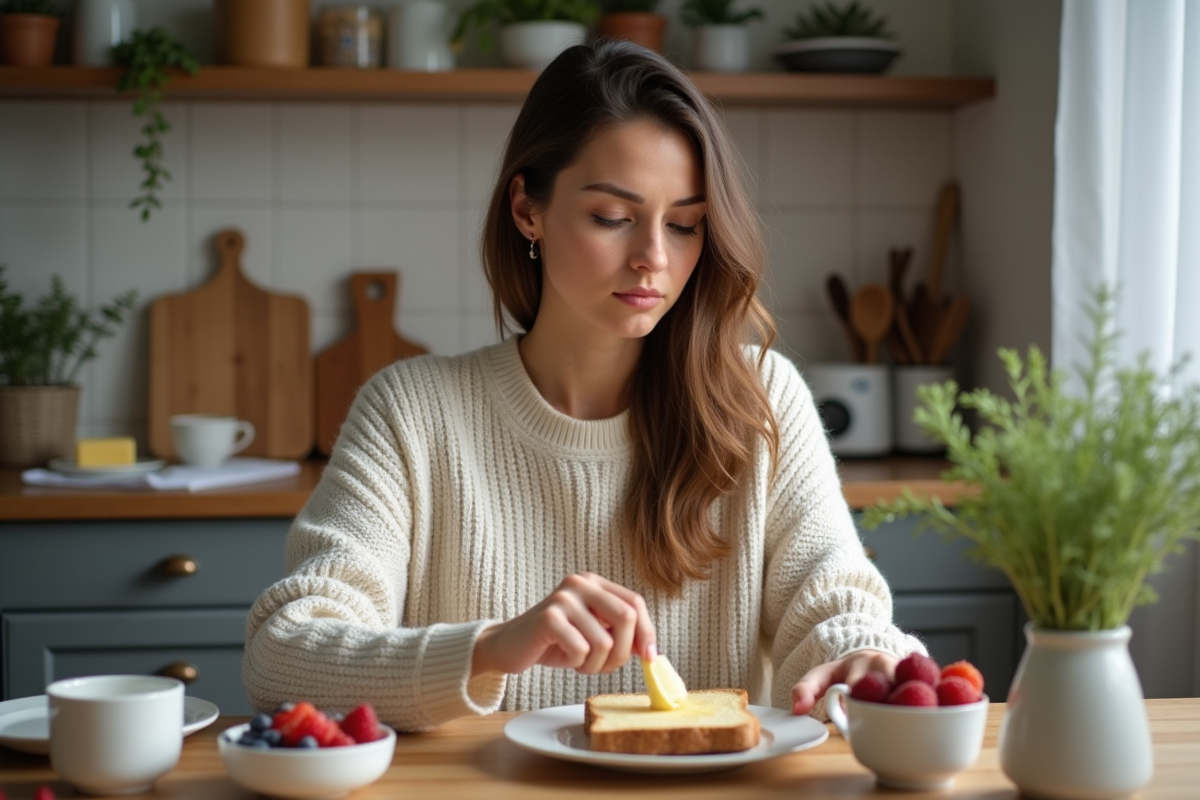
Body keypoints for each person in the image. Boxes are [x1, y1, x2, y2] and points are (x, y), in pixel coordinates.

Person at [243, 39, 924, 731]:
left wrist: (863, 653)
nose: (654, 258)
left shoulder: (761, 399)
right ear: (527, 210)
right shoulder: (409, 414)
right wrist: (491, 649)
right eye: (612, 217)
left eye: (685, 224)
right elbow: (281, 656)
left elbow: (834, 601)